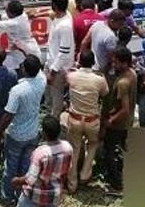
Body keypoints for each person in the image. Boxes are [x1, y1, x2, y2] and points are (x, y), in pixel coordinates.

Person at [0, 55, 47, 207]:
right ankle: (22, 195)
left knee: (10, 168)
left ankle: (7, 198)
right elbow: (40, 69)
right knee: (25, 166)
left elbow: (8, 115)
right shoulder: (42, 81)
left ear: (24, 70)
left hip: (16, 135)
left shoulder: (17, 90)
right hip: (33, 133)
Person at [63, 50, 108, 193]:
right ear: (93, 62)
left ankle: (72, 183)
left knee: (74, 149)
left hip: (75, 119)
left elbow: (67, 78)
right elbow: (105, 93)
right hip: (92, 121)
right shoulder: (99, 80)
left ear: (79, 61)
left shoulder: (71, 76)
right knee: (92, 145)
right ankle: (84, 175)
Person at [12, 115, 73, 207]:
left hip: (35, 196)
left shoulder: (40, 153)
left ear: (44, 133)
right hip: (54, 196)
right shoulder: (67, 148)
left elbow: (30, 179)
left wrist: (17, 180)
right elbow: (67, 170)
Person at [103, 47, 137, 197]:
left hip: (119, 123)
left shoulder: (123, 82)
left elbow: (124, 109)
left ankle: (116, 185)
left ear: (124, 63)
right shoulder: (132, 74)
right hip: (127, 122)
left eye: (116, 62)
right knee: (123, 148)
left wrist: (110, 120)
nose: (113, 64)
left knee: (109, 152)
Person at [44, 0, 74, 119]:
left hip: (58, 69)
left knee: (56, 101)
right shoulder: (63, 16)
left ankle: (54, 126)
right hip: (50, 63)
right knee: (48, 98)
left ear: (54, 5)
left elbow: (64, 52)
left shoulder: (65, 26)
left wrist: (52, 72)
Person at [79, 9, 126, 76]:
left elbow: (84, 42)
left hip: (92, 67)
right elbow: (111, 59)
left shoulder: (97, 24)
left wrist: (81, 60)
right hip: (102, 69)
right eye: (119, 24)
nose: (120, 27)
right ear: (112, 21)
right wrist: (105, 72)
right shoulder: (110, 36)